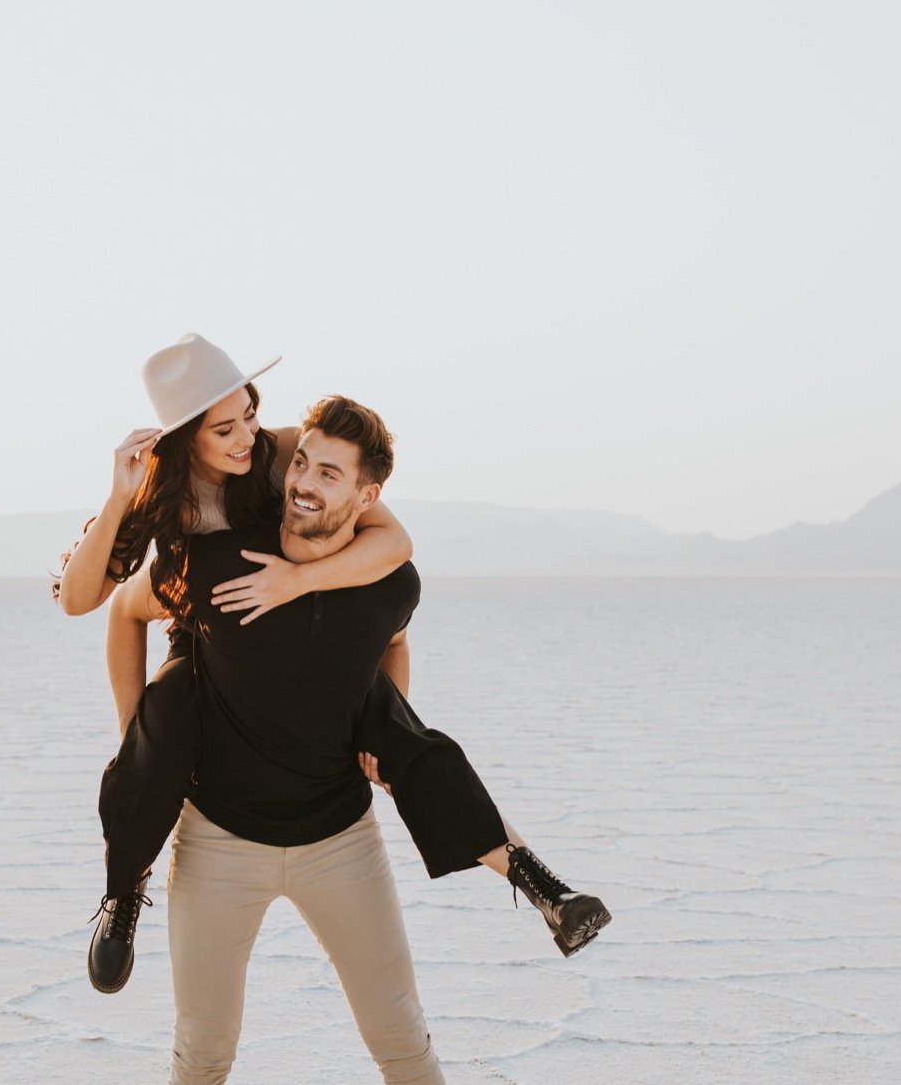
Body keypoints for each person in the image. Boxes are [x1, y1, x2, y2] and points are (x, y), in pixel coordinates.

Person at [112, 394, 528, 1085]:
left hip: (342, 837)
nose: (302, 481)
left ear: (363, 491)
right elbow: (121, 610)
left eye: (327, 473)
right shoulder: (228, 553)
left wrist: (387, 730)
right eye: (301, 465)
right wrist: (137, 745)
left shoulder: (374, 563)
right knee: (202, 1051)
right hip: (219, 840)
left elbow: (392, 621)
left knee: (402, 1043)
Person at [58, 336, 610, 991]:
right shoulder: (162, 494)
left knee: (397, 726)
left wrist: (296, 581)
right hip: (209, 635)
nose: (246, 437)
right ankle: (124, 888)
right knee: (162, 722)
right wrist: (133, 735)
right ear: (184, 438)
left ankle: (544, 887)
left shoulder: (287, 453)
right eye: (225, 428)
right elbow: (89, 602)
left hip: (305, 628)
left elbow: (394, 541)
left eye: (250, 415)